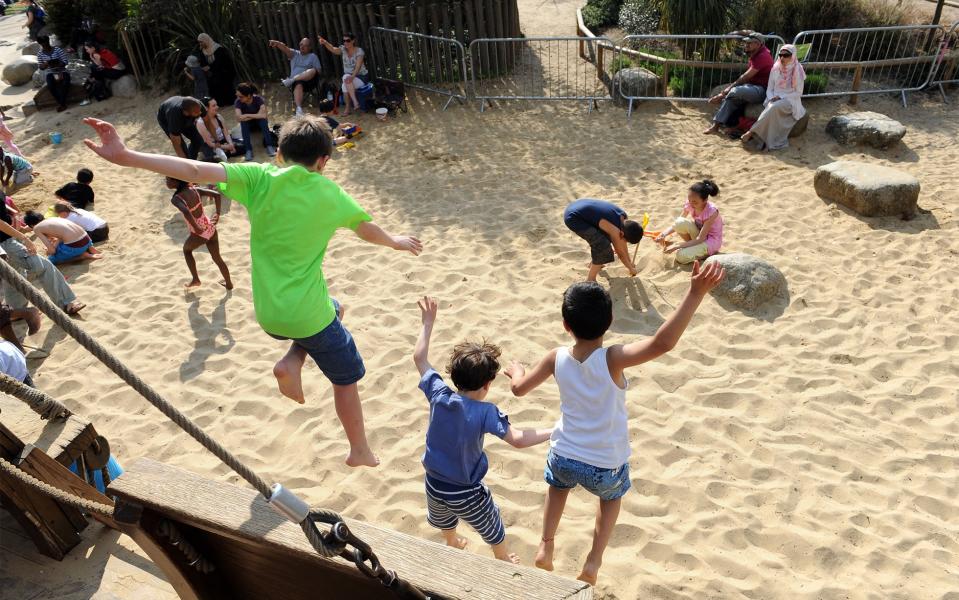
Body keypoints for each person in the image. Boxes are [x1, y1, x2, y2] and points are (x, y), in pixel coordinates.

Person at [82, 115, 423, 467]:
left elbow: (194, 170)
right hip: (307, 315)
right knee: (346, 378)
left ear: (279, 155)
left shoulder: (259, 177)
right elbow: (366, 229)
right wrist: (395, 242)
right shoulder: (330, 193)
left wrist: (127, 156)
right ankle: (359, 449)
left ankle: (292, 360)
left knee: (334, 308)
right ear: (323, 161)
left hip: (268, 315)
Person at [505, 265, 726, 585]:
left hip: (564, 452)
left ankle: (546, 544)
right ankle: (593, 561)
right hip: (604, 463)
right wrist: (694, 293)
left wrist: (516, 372)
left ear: (566, 325)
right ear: (609, 322)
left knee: (557, 487)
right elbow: (662, 343)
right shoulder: (612, 359)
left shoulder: (556, 357)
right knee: (610, 499)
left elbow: (519, 390)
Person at [413, 296, 553, 563]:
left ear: (454, 376)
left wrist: (427, 322)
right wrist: (554, 430)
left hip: (433, 483)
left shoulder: (439, 393)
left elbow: (419, 357)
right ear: (488, 384)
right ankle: (501, 557)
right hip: (466, 491)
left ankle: (451, 540)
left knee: (443, 518)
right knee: (492, 524)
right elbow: (519, 439)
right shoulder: (485, 412)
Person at [0, 203, 85, 315]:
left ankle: (16, 311)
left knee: (13, 276)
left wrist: (13, 213)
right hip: (5, 242)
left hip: (9, 238)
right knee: (43, 266)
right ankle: (65, 303)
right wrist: (24, 237)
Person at [165, 178, 232, 289]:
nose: (166, 181)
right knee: (217, 258)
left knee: (187, 250)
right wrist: (218, 213)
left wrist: (196, 228)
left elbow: (186, 211)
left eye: (168, 180)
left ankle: (196, 279)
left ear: (176, 182)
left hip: (199, 233)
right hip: (210, 228)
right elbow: (216, 195)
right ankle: (229, 284)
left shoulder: (176, 199)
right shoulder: (195, 189)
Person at [704, 33, 774, 135]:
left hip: (762, 90)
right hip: (753, 87)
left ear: (758, 44)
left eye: (749, 43)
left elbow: (745, 77)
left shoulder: (763, 56)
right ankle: (716, 126)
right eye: (746, 43)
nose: (746, 45)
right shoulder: (756, 53)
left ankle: (732, 125)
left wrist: (723, 93)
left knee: (735, 91)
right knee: (732, 98)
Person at [741, 44, 806, 151]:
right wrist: (772, 98)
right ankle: (759, 136)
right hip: (773, 98)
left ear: (793, 56)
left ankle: (751, 132)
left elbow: (798, 93)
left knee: (773, 108)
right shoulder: (775, 68)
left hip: (790, 99)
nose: (782, 58)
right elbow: (769, 88)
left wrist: (780, 97)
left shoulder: (798, 70)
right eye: (781, 55)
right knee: (772, 107)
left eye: (786, 55)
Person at [563, 199, 643, 282]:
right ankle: (591, 279)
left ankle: (595, 263)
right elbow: (620, 253)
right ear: (622, 234)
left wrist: (630, 262)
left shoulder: (624, 218)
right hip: (574, 218)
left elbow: (622, 244)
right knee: (603, 247)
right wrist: (630, 269)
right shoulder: (615, 231)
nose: (625, 243)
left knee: (604, 237)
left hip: (576, 205)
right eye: (626, 241)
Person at [654, 180, 724, 264]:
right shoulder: (690, 203)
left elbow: (700, 239)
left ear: (705, 200)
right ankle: (691, 247)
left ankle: (706, 254)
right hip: (699, 236)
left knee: (680, 256)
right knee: (679, 222)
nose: (691, 203)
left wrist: (677, 246)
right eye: (689, 200)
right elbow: (677, 223)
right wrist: (663, 234)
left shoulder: (711, 212)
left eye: (694, 202)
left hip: (710, 242)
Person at [317, 33, 369, 116]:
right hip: (349, 79)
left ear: (353, 41)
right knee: (345, 82)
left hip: (360, 77)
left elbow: (358, 67)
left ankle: (349, 107)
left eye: (348, 40)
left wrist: (352, 77)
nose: (346, 42)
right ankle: (354, 104)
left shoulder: (359, 51)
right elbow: (333, 49)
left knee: (345, 81)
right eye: (344, 41)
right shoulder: (343, 49)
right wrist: (325, 42)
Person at [22, 211, 102, 265]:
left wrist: (49, 250)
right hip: (87, 240)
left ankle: (82, 256)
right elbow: (61, 237)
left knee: (51, 260)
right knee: (62, 245)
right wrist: (55, 244)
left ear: (31, 225)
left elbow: (52, 251)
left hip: (76, 246)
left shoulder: (37, 228)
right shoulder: (52, 219)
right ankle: (91, 249)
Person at [268, 38, 322, 116]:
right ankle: (299, 110)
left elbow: (319, 72)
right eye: (301, 44)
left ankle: (291, 80)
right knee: (298, 83)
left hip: (309, 82)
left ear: (310, 48)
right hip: (297, 84)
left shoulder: (313, 56)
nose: (302, 47)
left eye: (305, 45)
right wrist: (276, 43)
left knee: (313, 70)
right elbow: (285, 48)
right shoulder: (295, 54)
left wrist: (307, 73)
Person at [157, 96, 210, 160]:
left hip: (183, 112)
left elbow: (207, 121)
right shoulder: (175, 117)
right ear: (186, 113)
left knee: (198, 140)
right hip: (165, 119)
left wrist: (216, 138)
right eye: (197, 112)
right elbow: (176, 143)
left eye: (200, 110)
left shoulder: (198, 105)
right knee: (182, 147)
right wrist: (184, 160)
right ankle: (188, 164)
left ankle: (192, 161)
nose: (200, 113)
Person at [234, 83, 276, 162]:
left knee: (263, 121)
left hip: (258, 124)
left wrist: (246, 115)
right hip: (248, 125)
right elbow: (239, 118)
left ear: (249, 95)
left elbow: (263, 116)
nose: (239, 98)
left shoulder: (258, 99)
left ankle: (269, 145)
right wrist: (257, 115)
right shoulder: (238, 102)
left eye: (241, 96)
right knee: (244, 123)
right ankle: (248, 150)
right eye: (237, 96)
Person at [197, 33, 237, 108]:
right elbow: (202, 62)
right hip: (212, 76)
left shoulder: (218, 49)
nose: (200, 44)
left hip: (223, 73)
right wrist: (205, 67)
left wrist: (210, 67)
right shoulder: (202, 51)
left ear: (206, 40)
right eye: (199, 42)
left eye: (201, 42)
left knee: (226, 88)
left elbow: (222, 62)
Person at [197, 97, 243, 161]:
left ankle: (225, 153)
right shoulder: (200, 123)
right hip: (211, 146)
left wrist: (231, 144)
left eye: (216, 105)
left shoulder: (218, 117)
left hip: (222, 142)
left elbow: (226, 133)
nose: (217, 107)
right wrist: (226, 147)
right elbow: (209, 143)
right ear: (206, 108)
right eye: (214, 106)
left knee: (243, 147)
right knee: (215, 159)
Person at [36, 35, 71, 112]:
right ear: (40, 44)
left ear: (48, 41)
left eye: (46, 43)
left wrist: (58, 63)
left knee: (65, 83)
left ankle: (62, 104)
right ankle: (62, 104)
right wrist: (45, 64)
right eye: (43, 44)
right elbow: (41, 67)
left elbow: (65, 61)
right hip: (51, 72)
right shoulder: (40, 54)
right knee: (51, 86)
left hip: (62, 70)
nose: (45, 45)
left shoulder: (57, 49)